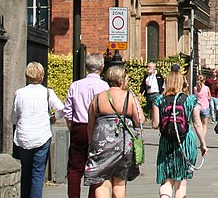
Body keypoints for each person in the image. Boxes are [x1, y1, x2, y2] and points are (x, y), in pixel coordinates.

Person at [83, 65, 143, 198]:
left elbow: (90, 125)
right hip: (123, 145)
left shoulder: (98, 98)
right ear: (122, 80)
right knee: (119, 182)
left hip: (101, 143)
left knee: (101, 181)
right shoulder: (129, 96)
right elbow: (140, 120)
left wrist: (91, 143)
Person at [152, 69, 207, 198]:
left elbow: (154, 124)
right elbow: (197, 123)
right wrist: (203, 144)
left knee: (167, 179)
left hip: (166, 143)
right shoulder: (189, 100)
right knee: (181, 182)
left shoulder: (159, 100)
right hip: (185, 142)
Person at [13, 62, 64, 198]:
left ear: (26, 76)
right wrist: (54, 117)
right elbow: (62, 109)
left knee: (26, 171)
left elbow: (14, 116)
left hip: (24, 136)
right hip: (42, 136)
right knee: (38, 173)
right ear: (42, 77)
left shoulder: (20, 93)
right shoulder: (47, 92)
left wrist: (17, 122)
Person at [63, 53, 110, 198]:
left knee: (75, 167)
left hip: (79, 126)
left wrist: (72, 127)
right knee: (96, 166)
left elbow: (68, 110)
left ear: (86, 67)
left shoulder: (76, 85)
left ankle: (74, 196)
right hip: (98, 127)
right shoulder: (104, 86)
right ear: (101, 67)